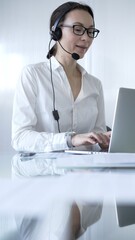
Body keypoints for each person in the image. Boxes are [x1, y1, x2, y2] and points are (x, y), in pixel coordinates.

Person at [11, 1, 111, 240]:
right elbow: (20, 137)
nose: (86, 38)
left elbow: (96, 138)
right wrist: (70, 139)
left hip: (87, 181)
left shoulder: (95, 84)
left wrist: (105, 141)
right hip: (38, 184)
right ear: (56, 31)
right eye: (77, 29)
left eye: (90, 31)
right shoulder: (32, 75)